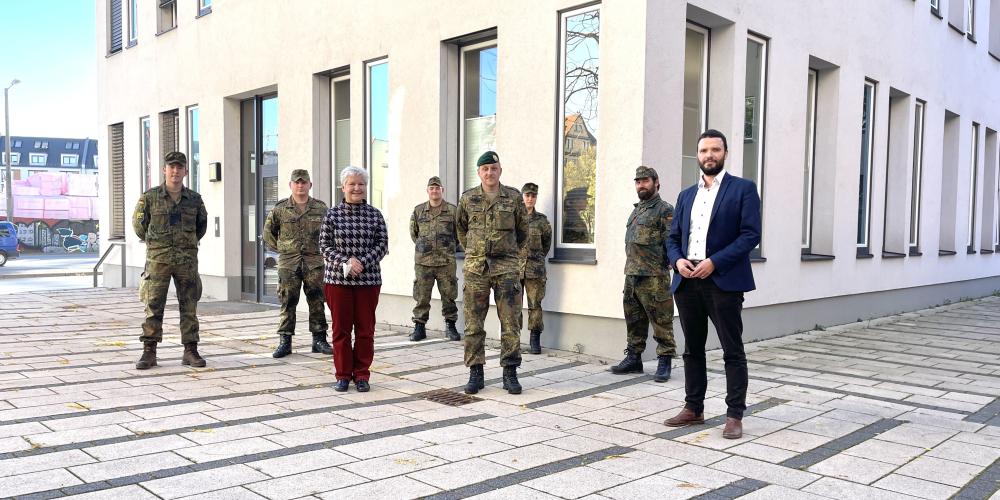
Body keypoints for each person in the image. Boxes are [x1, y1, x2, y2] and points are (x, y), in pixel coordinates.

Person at [664, 129, 762, 440]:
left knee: (732, 349)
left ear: (725, 153)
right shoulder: (686, 195)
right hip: (687, 280)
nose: (709, 155)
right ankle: (694, 408)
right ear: (698, 155)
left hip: (722, 281)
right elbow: (672, 238)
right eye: (704, 150)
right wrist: (677, 260)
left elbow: (750, 235)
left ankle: (734, 415)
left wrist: (714, 262)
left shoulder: (743, 189)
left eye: (715, 150)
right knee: (693, 349)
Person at [457, 151, 529, 395]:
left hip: (506, 269)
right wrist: (476, 251)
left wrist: (508, 254)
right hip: (476, 269)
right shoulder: (467, 199)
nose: (490, 172)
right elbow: (461, 231)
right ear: (479, 172)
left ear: (500, 170)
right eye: (485, 168)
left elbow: (523, 232)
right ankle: (476, 372)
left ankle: (510, 372)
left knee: (510, 322)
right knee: (473, 323)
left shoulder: (514, 197)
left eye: (494, 168)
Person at [132, 151, 208, 370]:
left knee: (189, 305)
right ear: (164, 170)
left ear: (185, 171)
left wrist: (186, 243)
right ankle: (149, 352)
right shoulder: (150, 197)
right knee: (153, 306)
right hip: (159, 259)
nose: (175, 171)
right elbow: (139, 227)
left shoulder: (194, 200)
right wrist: (158, 244)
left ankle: (190, 350)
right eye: (171, 167)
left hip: (186, 260)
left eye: (179, 167)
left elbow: (200, 227)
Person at [318, 166, 388, 393]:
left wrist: (362, 262)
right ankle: (342, 375)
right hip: (338, 282)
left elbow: (382, 245)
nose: (357, 188)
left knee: (366, 330)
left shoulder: (375, 215)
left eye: (361, 184)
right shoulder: (332, 214)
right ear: (343, 187)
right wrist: (346, 261)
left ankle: (361, 375)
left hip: (368, 282)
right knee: (341, 330)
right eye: (352, 184)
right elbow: (324, 246)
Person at [610, 166, 676, 382]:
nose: (641, 185)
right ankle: (634, 358)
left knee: (661, 320)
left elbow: (672, 241)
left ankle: (665, 359)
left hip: (654, 277)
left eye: (645, 180)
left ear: (656, 182)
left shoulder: (664, 210)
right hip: (632, 275)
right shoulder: (637, 210)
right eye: (638, 181)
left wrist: (668, 263)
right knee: (634, 319)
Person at [263, 169, 332, 358]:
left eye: (304, 182)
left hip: (314, 262)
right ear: (290, 185)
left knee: (317, 301)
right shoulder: (280, 208)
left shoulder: (321, 208)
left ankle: (319, 340)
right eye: (297, 182)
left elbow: (330, 233)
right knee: (287, 302)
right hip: (289, 264)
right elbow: (268, 234)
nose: (300, 186)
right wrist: (284, 250)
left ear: (310, 185)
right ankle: (285, 341)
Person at [408, 176, 461, 342]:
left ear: (442, 190)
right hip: (424, 262)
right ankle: (419, 327)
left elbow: (459, 235)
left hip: (446, 262)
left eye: (437, 188)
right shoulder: (418, 211)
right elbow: (414, 233)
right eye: (432, 188)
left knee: (449, 295)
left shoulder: (453, 211)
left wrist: (447, 248)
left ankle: (451, 326)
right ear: (428, 191)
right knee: (422, 296)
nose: (434, 191)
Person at [519, 182, 551, 354]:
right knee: (513, 306)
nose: (530, 199)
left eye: (533, 196)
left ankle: (534, 339)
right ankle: (513, 338)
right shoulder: (514, 217)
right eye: (527, 195)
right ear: (522, 196)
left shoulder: (542, 221)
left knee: (535, 305)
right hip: (515, 269)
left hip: (535, 270)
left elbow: (546, 244)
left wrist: (535, 259)